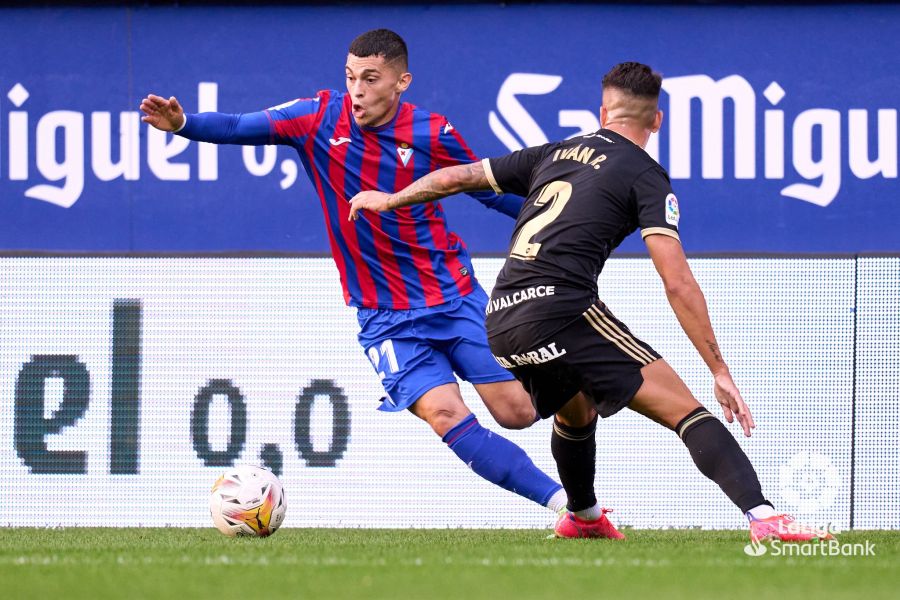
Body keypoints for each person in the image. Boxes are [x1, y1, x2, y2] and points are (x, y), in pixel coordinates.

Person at [349, 61, 833, 543]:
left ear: (602, 111)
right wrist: (719, 368)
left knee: (575, 410)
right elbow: (677, 280)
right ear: (656, 121)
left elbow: (456, 178)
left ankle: (583, 516)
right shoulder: (646, 175)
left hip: (500, 316)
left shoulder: (557, 151)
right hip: (560, 309)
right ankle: (764, 515)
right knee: (687, 411)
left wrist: (390, 200)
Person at [139, 29, 567, 516]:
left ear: (400, 82)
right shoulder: (317, 117)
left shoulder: (431, 132)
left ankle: (574, 385)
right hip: (383, 315)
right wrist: (183, 124)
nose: (357, 89)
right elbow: (239, 126)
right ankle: (567, 507)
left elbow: (488, 191)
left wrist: (563, 216)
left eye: (370, 78)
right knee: (445, 415)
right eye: (350, 77)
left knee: (518, 413)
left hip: (451, 294)